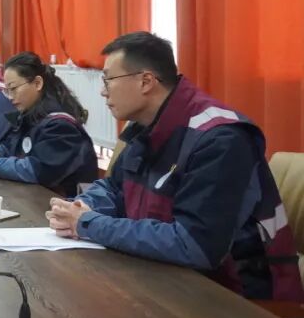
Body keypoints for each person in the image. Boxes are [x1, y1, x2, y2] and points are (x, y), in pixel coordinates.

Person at [46, 32, 304, 302]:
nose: (102, 91)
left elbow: (194, 245)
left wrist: (89, 224)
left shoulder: (220, 139)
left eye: (108, 79)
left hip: (236, 300)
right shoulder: (146, 126)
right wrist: (82, 207)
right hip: (164, 280)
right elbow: (114, 187)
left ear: (146, 81)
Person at [0, 52, 97, 197]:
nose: (10, 97)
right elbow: (9, 147)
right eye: (7, 91)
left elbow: (36, 170)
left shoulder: (60, 126)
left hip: (65, 203)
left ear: (37, 83)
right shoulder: (29, 115)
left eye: (13, 88)